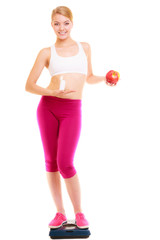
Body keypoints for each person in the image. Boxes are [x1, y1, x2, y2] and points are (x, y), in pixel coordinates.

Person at [25, 6, 116, 230]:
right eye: (57, 23)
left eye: (65, 23)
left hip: (72, 109)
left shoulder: (84, 47)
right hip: (48, 107)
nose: (61, 28)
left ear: (72, 24)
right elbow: (29, 85)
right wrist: (52, 92)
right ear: (51, 25)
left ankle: (79, 212)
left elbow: (89, 77)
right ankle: (59, 213)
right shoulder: (46, 52)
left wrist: (104, 78)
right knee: (51, 163)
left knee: (66, 162)